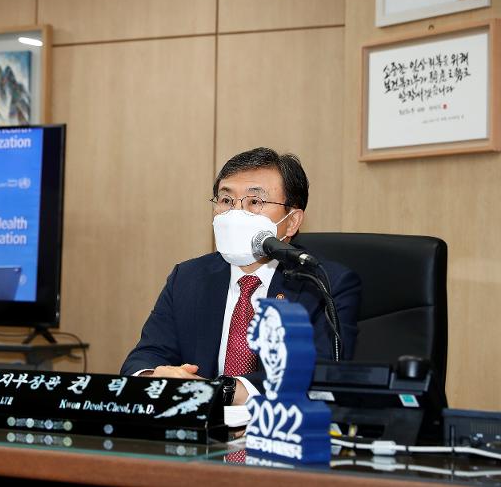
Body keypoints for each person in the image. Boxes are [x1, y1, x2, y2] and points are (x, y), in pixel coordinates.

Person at [120, 147, 361, 405]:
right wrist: (156, 377)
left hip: (280, 435)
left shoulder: (323, 284)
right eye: (226, 201)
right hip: (200, 437)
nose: (235, 215)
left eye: (254, 202)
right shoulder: (188, 277)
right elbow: (145, 356)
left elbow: (317, 376)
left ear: (292, 221)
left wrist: (220, 391)